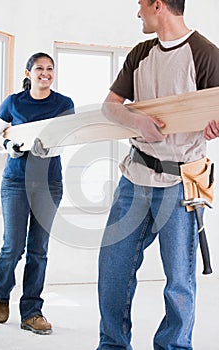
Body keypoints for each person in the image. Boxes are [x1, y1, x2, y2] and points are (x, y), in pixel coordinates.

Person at [97, 1, 219, 349]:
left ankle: (174, 346)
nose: (138, 14)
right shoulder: (140, 54)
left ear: (158, 5)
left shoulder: (206, 54)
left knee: (179, 280)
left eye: (141, 6)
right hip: (135, 177)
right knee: (113, 271)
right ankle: (113, 344)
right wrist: (136, 122)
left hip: (181, 183)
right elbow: (110, 106)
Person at [0, 52, 74, 335]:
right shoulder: (14, 102)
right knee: (13, 247)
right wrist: (9, 146)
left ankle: (32, 311)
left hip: (49, 183)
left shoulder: (64, 104)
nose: (45, 73)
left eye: (50, 68)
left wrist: (50, 149)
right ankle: (2, 292)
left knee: (38, 250)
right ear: (28, 73)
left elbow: (68, 138)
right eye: (39, 68)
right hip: (16, 181)